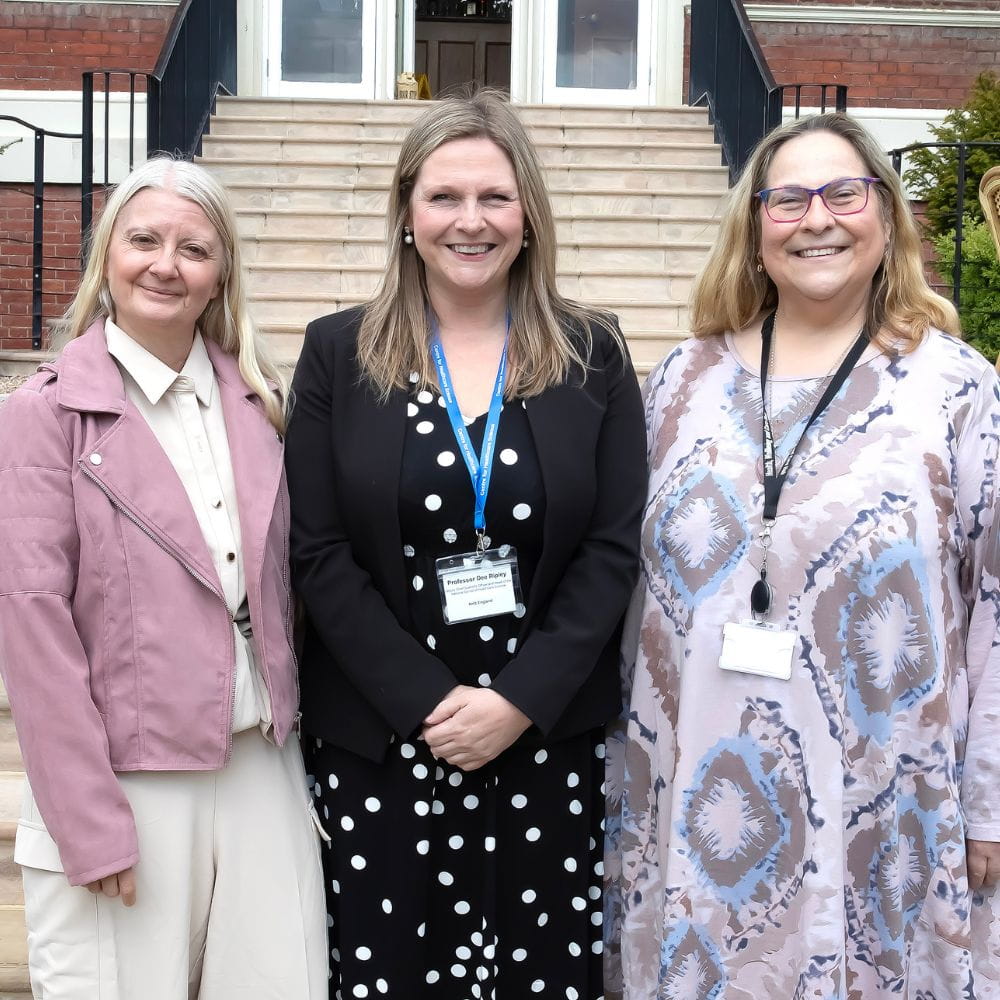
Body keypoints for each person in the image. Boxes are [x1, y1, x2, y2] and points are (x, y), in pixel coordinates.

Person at [604, 112, 1000, 997]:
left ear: (887, 217)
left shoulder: (959, 387)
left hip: (882, 795)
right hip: (697, 786)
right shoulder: (679, 380)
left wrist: (990, 802)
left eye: (843, 192)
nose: (815, 218)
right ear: (753, 231)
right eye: (786, 199)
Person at [285, 89, 646, 999]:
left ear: (528, 214)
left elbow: (611, 549)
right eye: (444, 197)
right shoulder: (337, 352)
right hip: (384, 740)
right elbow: (318, 550)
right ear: (407, 215)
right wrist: (430, 702)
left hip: (545, 737)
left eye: (494, 196)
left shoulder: (593, 352)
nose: (470, 221)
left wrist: (516, 702)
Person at [0, 156, 327, 998]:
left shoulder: (259, 403)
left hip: (262, 765)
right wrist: (86, 819)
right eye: (143, 240)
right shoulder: (44, 414)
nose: (165, 264)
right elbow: (31, 623)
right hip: (128, 780)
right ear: (108, 256)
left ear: (220, 275)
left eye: (193, 248)